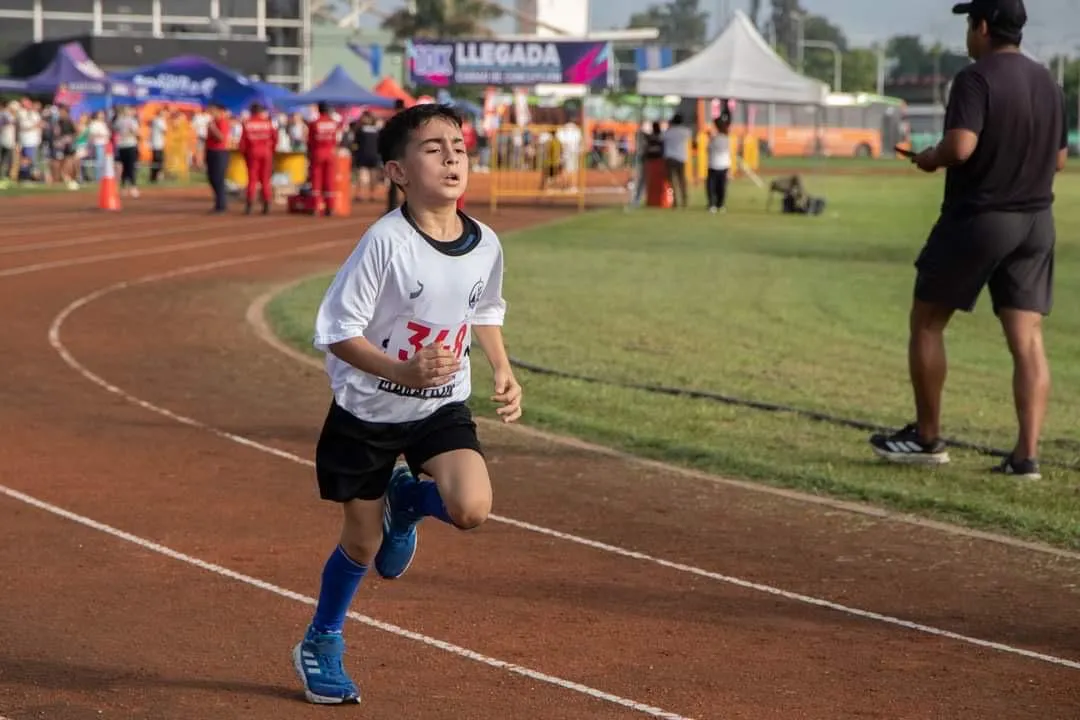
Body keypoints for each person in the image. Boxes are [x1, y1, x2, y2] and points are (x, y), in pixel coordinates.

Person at [292, 103, 523, 705]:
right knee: (363, 546)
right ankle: (321, 640)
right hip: (367, 411)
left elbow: (484, 309)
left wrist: (501, 367)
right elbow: (337, 330)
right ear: (397, 170)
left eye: (459, 146)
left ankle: (409, 497)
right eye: (432, 148)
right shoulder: (385, 243)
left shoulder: (485, 242)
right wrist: (402, 369)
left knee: (471, 507)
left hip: (440, 407)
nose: (451, 157)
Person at [869, 0, 1067, 480]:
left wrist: (931, 157)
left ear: (981, 26)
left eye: (968, 23)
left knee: (928, 322)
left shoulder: (975, 78)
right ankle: (1025, 457)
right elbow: (1059, 159)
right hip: (1036, 222)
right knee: (1027, 340)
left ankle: (928, 438)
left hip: (980, 217)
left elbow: (961, 146)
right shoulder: (1048, 83)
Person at [239, 102, 276, 215]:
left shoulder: (247, 123)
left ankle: (250, 205)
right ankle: (266, 204)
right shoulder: (268, 123)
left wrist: (245, 155)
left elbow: (243, 143)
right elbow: (275, 139)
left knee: (252, 180)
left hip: (252, 153)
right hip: (266, 153)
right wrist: (271, 151)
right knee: (265, 180)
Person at [306, 101, 339, 217]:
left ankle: (315, 207)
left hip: (317, 153)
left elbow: (310, 141)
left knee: (316, 180)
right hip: (330, 153)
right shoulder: (333, 123)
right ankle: (330, 207)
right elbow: (335, 140)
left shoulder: (314, 123)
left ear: (319, 110)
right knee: (329, 180)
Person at [661, 113, 694, 209]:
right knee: (682, 180)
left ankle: (675, 201)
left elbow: (660, 137)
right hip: (681, 158)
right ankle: (684, 200)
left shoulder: (669, 131)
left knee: (672, 181)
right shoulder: (685, 131)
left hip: (670, 158)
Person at [204, 103, 231, 213]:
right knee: (211, 177)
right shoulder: (214, 122)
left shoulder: (223, 122)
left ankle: (221, 204)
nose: (211, 113)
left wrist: (213, 128)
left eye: (213, 111)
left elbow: (221, 137)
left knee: (218, 178)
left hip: (219, 152)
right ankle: (219, 202)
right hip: (211, 151)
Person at [706, 112, 732, 214]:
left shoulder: (717, 138)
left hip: (714, 164)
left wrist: (710, 139)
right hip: (724, 165)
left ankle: (713, 204)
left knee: (712, 186)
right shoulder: (726, 138)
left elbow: (709, 149)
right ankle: (720, 204)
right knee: (722, 186)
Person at [385, 98, 407, 213]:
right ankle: (408, 207)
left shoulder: (392, 120)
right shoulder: (408, 120)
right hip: (407, 153)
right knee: (408, 181)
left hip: (395, 153)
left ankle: (392, 207)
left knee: (394, 182)